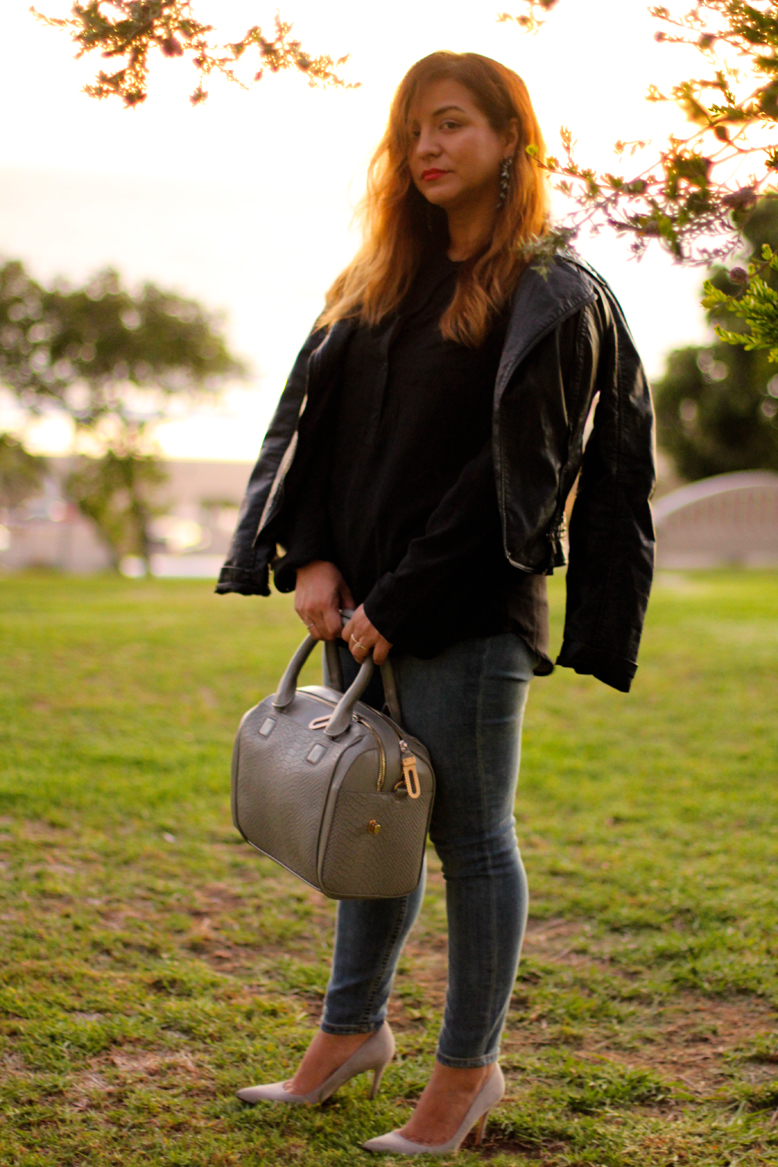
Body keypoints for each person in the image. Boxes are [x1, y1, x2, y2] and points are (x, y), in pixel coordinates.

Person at [217, 50, 655, 1156]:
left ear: (511, 141)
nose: (427, 146)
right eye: (414, 127)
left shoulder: (547, 293)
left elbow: (518, 477)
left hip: (465, 613)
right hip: (354, 608)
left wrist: (401, 601)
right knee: (367, 823)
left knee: (469, 839)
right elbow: (313, 439)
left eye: (453, 124)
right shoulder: (376, 285)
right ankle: (345, 1037)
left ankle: (466, 1075)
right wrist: (310, 560)